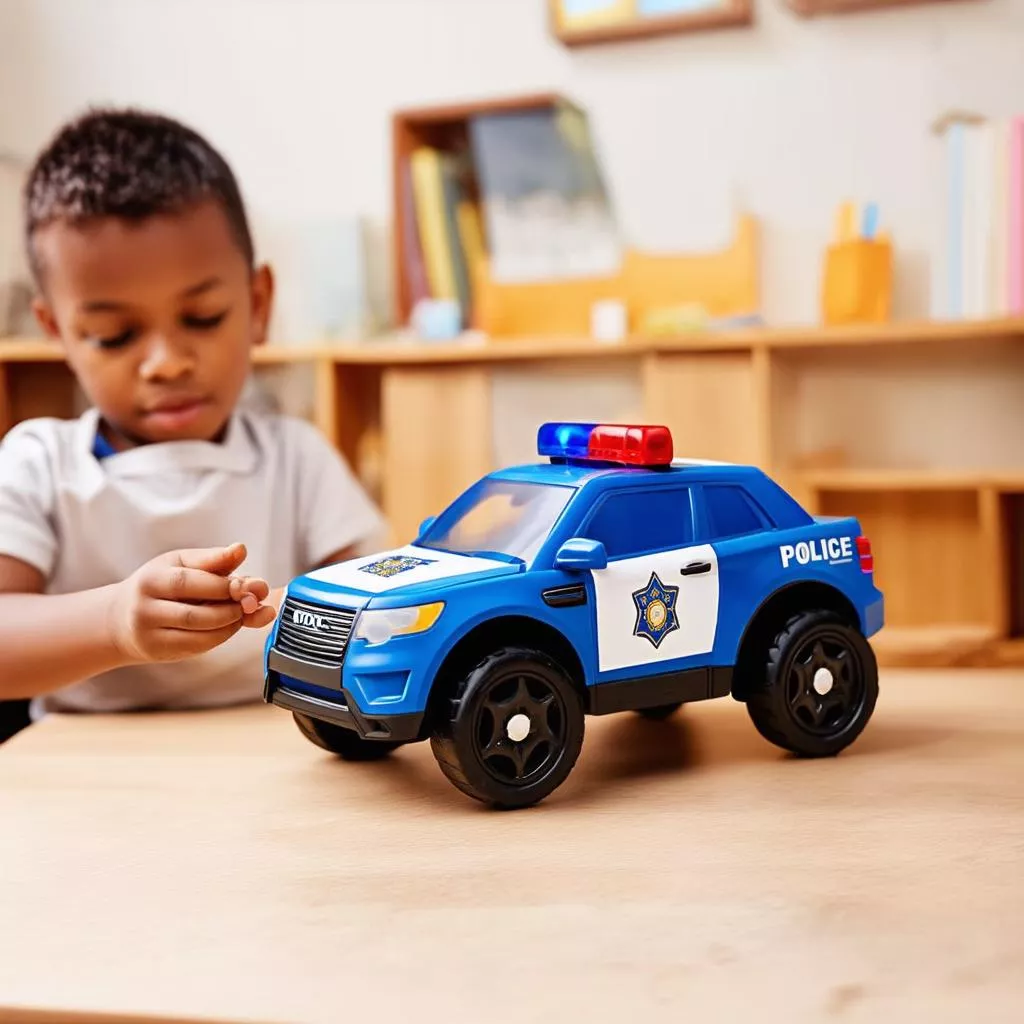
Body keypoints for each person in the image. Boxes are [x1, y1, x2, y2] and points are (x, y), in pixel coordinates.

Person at [0, 107, 386, 728]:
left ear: (257, 305)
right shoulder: (39, 463)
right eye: (113, 334)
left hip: (271, 762)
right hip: (80, 774)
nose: (167, 363)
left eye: (203, 318)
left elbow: (384, 605)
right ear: (57, 334)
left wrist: (313, 613)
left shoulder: (296, 459)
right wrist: (114, 621)